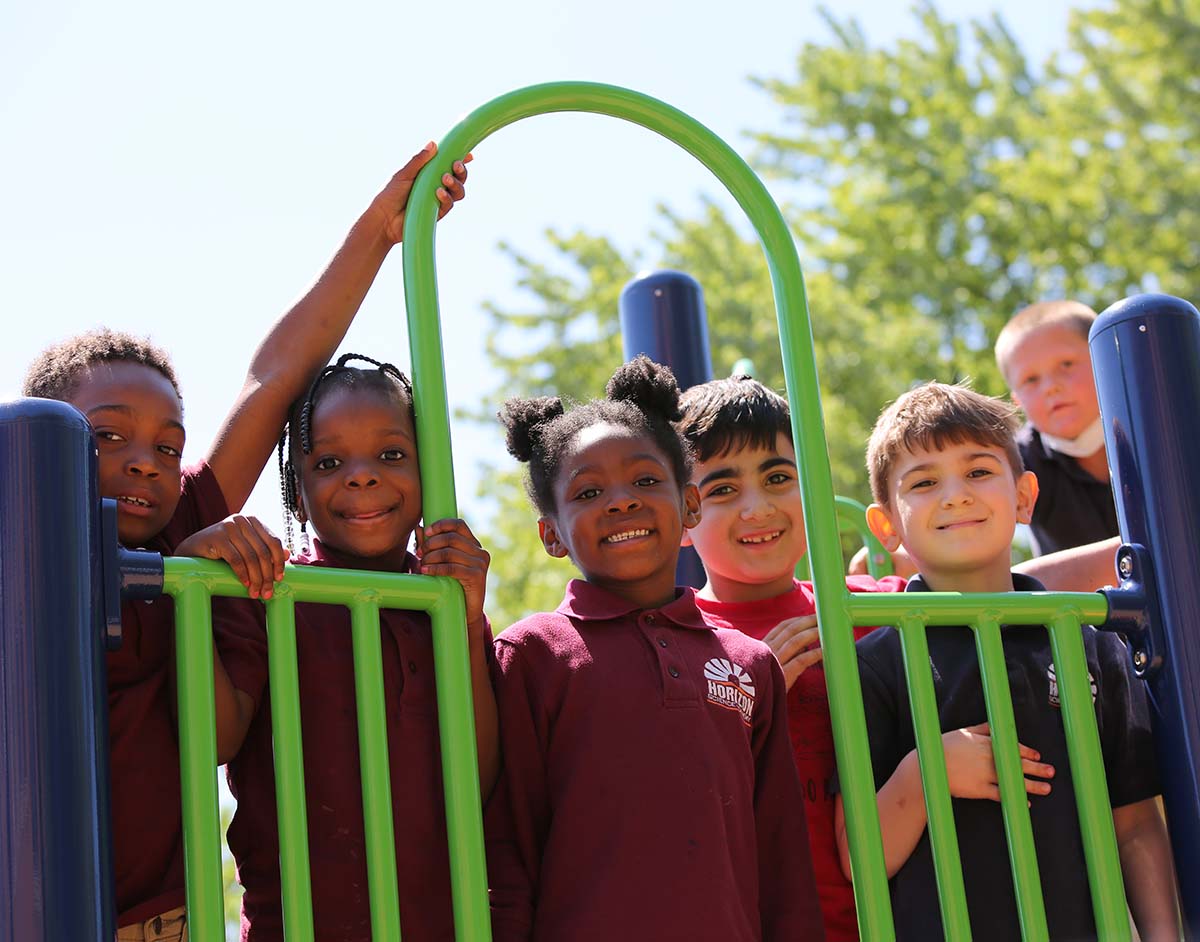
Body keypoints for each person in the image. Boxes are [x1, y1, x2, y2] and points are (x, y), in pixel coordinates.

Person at [19, 141, 469, 940]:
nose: (142, 462)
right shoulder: (22, 549)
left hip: (166, 917)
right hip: (31, 895)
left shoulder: (186, 523)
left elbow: (274, 380)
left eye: (166, 445)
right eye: (106, 437)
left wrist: (377, 233)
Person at [485, 356, 824, 942]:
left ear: (690, 506)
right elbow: (506, 847)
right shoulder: (532, 653)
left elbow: (782, 858)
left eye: (645, 481)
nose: (621, 501)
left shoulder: (750, 662)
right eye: (589, 491)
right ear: (551, 535)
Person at [835, 381, 1177, 941]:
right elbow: (859, 860)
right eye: (923, 482)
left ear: (1023, 497)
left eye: (977, 472)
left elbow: (1135, 821)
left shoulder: (1089, 642)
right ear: (886, 525)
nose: (956, 495)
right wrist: (928, 772)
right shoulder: (876, 661)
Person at [218, 354, 497, 941]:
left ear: (430, 471)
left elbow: (480, 778)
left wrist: (467, 623)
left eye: (391, 455)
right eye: (329, 462)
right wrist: (197, 568)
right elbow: (213, 741)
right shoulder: (269, 594)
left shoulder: (446, 602)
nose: (362, 475)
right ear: (296, 491)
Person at [675, 374, 904, 942]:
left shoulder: (875, 609)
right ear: (681, 513)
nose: (758, 508)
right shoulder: (672, 641)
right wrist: (750, 698)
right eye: (723, 489)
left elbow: (1002, 587)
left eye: (779, 478)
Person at [995, 300, 1118, 555]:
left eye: (1066, 364)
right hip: (1078, 592)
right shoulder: (1017, 460)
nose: (1051, 386)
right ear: (1017, 401)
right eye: (1031, 380)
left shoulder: (1162, 429)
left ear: (1106, 362)